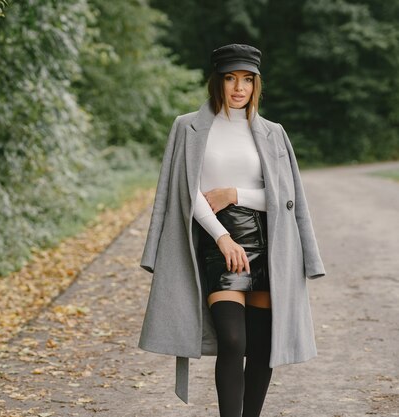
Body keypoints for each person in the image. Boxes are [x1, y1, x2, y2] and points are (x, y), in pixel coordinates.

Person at [137, 43, 326, 417]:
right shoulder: (187, 127)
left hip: (268, 245)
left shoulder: (273, 133)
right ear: (217, 82)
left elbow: (283, 195)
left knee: (260, 346)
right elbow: (185, 191)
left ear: (256, 84)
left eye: (247, 79)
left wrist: (233, 193)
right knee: (232, 339)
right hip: (216, 242)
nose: (239, 88)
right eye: (230, 78)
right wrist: (222, 237)